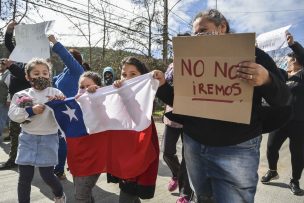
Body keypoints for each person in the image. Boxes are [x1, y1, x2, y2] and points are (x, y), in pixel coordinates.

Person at [152, 9, 291, 203]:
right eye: (195, 33)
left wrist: (266, 79)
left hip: (237, 148)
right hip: (194, 145)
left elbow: (284, 99)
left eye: (203, 30)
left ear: (222, 27)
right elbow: (182, 100)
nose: (198, 36)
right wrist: (162, 86)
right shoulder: (190, 60)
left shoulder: (253, 56)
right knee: (203, 198)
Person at [8, 58, 66, 203]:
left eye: (45, 73)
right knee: (24, 177)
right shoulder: (23, 95)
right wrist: (30, 111)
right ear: (28, 77)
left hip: (49, 138)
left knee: (47, 175)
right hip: (27, 138)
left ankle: (59, 194)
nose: (41, 76)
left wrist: (60, 103)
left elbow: (64, 114)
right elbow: (14, 114)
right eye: (36, 73)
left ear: (50, 75)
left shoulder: (55, 92)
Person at [108, 56, 159, 203]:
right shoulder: (117, 92)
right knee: (130, 193)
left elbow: (137, 114)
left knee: (128, 193)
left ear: (141, 76)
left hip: (140, 150)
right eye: (124, 74)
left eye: (133, 74)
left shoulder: (147, 96)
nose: (127, 78)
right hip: (124, 150)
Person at [261, 32, 304, 195]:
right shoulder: (284, 75)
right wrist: (257, 52)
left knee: (297, 153)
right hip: (280, 120)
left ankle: (295, 180)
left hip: (299, 122)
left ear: (295, 61)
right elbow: (269, 68)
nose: (286, 63)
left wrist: (293, 44)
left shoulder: (302, 74)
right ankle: (273, 171)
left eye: (288, 61)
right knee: (271, 148)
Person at [48, 34, 84, 179]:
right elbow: (51, 82)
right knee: (60, 141)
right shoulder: (63, 73)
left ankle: (60, 169)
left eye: (69, 57)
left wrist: (55, 43)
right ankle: (62, 167)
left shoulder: (77, 70)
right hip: (60, 110)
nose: (65, 60)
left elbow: (67, 57)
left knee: (64, 141)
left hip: (71, 111)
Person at [0, 21, 31, 170]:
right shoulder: (18, 53)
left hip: (25, 101)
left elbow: (25, 76)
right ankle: (14, 159)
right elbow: (8, 43)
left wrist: (10, 66)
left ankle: (26, 159)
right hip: (14, 99)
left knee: (24, 131)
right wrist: (9, 30)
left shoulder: (31, 59)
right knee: (14, 132)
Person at [161, 63, 193, 203]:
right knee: (167, 151)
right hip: (172, 116)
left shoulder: (198, 64)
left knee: (188, 157)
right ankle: (176, 174)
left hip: (190, 118)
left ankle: (185, 193)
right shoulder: (171, 66)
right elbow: (165, 87)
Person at [73, 71, 102, 202]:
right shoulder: (74, 105)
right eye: (82, 87)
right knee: (84, 192)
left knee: (81, 196)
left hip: (94, 155)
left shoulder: (103, 101)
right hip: (78, 155)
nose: (85, 90)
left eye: (89, 86)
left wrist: (97, 94)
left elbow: (104, 106)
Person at [0, 59, 11, 140]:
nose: (0, 66)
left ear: (6, 65)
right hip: (1, 99)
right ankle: (12, 134)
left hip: (4, 100)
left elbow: (10, 88)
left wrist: (8, 100)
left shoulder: (8, 75)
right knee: (7, 119)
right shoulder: (1, 74)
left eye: (2, 64)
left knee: (2, 118)